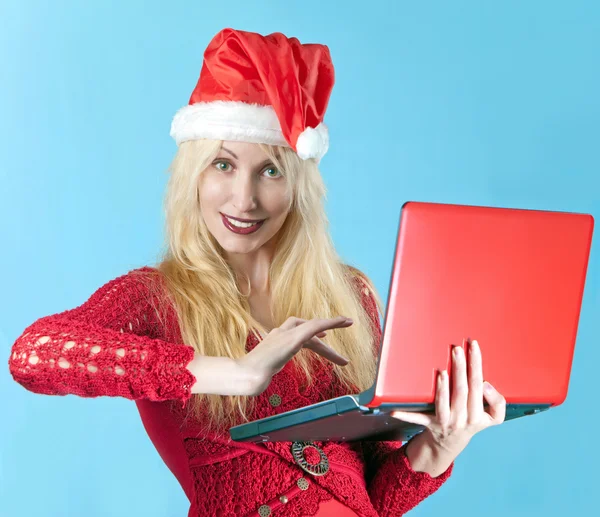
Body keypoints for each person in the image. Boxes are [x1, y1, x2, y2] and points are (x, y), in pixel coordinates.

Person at [8, 28, 506, 517]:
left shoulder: (349, 295)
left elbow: (371, 492)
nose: (243, 199)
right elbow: (35, 355)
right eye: (222, 165)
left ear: (298, 186)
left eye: (270, 170)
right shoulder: (155, 299)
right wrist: (238, 372)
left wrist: (439, 446)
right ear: (193, 175)